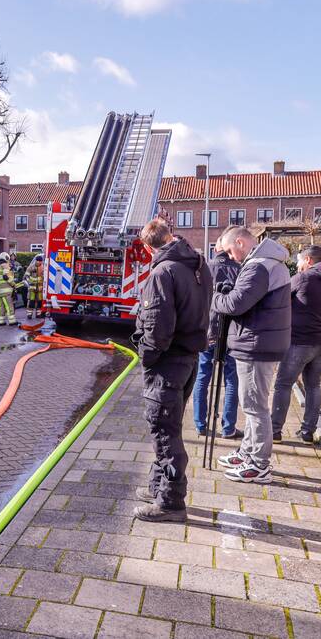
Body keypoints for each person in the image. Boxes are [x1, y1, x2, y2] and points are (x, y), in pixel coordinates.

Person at [131, 220, 211, 522]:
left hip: (167, 362)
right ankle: (157, 485)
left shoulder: (163, 272)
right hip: (189, 357)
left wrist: (146, 356)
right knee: (169, 424)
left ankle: (171, 501)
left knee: (164, 431)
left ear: (147, 246)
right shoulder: (198, 265)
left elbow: (156, 325)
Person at [212, 227, 291, 484]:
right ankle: (248, 451)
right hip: (259, 340)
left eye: (231, 250)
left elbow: (235, 303)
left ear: (240, 241)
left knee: (255, 406)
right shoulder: (268, 263)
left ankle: (259, 464)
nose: (231, 257)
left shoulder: (258, 266)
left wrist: (213, 297)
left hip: (256, 343)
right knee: (251, 404)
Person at [269, 246, 321, 444]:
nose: (298, 265)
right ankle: (308, 432)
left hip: (300, 341)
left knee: (283, 384)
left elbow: (279, 298)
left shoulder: (303, 278)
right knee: (313, 386)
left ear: (308, 260)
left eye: (299, 261)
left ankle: (275, 431)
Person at [191, 235, 241, 439]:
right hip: (231, 331)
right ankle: (228, 428)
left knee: (202, 376)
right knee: (231, 379)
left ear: (216, 249)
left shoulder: (203, 269)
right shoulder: (240, 269)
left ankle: (200, 424)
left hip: (207, 330)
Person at [0, 252, 17, 326]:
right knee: (9, 305)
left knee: (1, 307)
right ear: (6, 258)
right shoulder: (5, 265)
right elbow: (7, 277)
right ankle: (12, 321)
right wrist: (14, 285)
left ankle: (1, 321)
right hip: (6, 290)